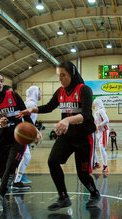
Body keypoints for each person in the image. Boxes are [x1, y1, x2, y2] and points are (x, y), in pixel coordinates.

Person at [18, 61, 101, 211]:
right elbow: (49, 107)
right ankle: (63, 197)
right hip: (67, 135)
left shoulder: (84, 90)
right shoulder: (60, 92)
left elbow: (86, 114)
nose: (60, 79)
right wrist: (31, 110)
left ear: (72, 74)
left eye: (63, 75)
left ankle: (95, 194)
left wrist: (67, 120)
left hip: (84, 137)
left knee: (83, 175)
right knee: (52, 161)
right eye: (58, 76)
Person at [0, 72, 42, 212]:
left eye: (1, 81)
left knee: (11, 166)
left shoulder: (13, 96)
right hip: (1, 138)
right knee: (2, 169)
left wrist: (35, 131)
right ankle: (2, 190)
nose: (0, 84)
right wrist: (0, 125)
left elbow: (25, 114)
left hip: (17, 136)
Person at [92, 98, 109, 173]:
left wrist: (99, 125)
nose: (92, 104)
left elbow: (107, 120)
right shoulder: (95, 112)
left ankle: (105, 166)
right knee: (93, 147)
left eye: (93, 102)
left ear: (96, 103)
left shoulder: (101, 110)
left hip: (104, 131)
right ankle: (97, 163)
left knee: (101, 148)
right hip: (98, 132)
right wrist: (95, 128)